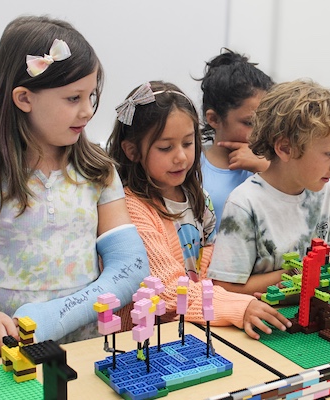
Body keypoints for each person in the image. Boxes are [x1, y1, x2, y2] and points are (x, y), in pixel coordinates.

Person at [0, 15, 149, 364]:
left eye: (91, 95)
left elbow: (131, 266)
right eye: (73, 98)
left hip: (81, 351)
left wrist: (52, 318)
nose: (88, 110)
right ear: (24, 98)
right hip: (2, 351)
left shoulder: (98, 171)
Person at [106, 81, 291, 339]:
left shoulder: (197, 197)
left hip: (193, 325)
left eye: (187, 143)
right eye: (165, 147)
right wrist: (236, 306)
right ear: (132, 151)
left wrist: (233, 297)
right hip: (146, 339)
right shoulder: (131, 210)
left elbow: (209, 266)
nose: (181, 156)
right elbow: (166, 289)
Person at [207, 79, 330, 296]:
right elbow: (225, 287)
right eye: (329, 154)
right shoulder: (245, 203)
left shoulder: (326, 191)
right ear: (285, 149)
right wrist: (296, 273)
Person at [197, 48, 274, 231]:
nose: (260, 131)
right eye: (249, 123)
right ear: (214, 119)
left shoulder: (274, 163)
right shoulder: (191, 166)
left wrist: (265, 167)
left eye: (266, 120)